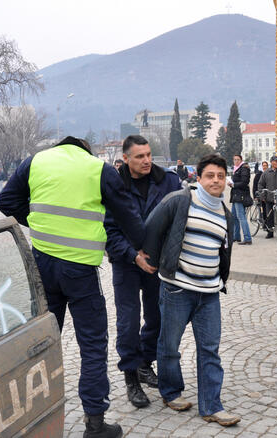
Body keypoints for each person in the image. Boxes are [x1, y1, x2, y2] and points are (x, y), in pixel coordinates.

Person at [0, 136, 147, 438]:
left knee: (39, 343)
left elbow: (6, 202)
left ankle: (32, 420)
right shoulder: (98, 169)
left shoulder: (35, 162)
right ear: (85, 150)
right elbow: (129, 219)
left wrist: (40, 224)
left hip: (42, 267)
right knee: (92, 347)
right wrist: (147, 247)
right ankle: (94, 425)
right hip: (80, 272)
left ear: (60, 149)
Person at [143, 154, 241, 427]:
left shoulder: (226, 215)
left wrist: (222, 279)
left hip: (209, 293)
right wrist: (153, 263)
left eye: (220, 176)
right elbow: (151, 228)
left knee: (210, 350)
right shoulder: (180, 200)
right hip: (176, 289)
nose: (216, 180)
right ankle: (171, 392)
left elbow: (223, 252)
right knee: (170, 345)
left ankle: (211, 406)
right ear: (199, 178)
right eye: (210, 175)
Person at [105, 134, 181, 409]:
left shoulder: (168, 180)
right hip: (126, 263)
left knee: (157, 318)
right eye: (140, 156)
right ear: (126, 159)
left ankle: (145, 363)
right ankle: (131, 379)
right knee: (128, 322)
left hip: (157, 263)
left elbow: (180, 218)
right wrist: (132, 255)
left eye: (149, 154)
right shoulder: (113, 184)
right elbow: (109, 230)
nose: (147, 160)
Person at [258, 155, 277, 238]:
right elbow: (260, 184)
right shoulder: (266, 173)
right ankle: (270, 231)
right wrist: (263, 195)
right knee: (269, 215)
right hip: (269, 197)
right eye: (276, 161)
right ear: (271, 162)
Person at [228, 154, 252, 245]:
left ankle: (247, 238)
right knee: (234, 217)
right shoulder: (236, 169)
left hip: (240, 196)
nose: (236, 161)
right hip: (235, 195)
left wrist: (233, 185)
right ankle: (236, 236)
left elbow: (245, 182)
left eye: (238, 159)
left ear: (241, 160)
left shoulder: (244, 168)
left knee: (241, 217)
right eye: (234, 159)